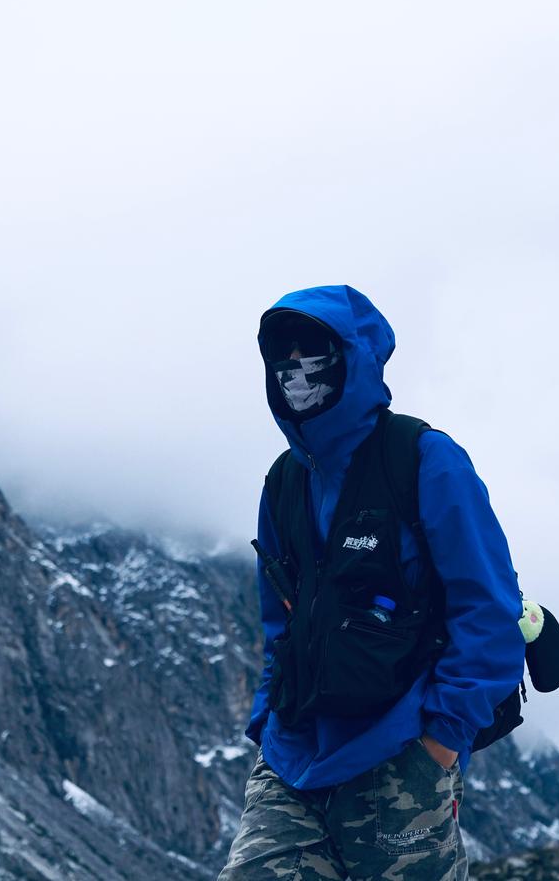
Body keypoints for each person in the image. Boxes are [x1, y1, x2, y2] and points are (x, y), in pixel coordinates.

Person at [219, 285, 525, 881]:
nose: (297, 369)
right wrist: (266, 724)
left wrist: (440, 744)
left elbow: (489, 608)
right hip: (291, 759)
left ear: (354, 357)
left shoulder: (426, 460)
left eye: (316, 352)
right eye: (284, 354)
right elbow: (278, 623)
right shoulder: (282, 483)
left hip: (399, 753)